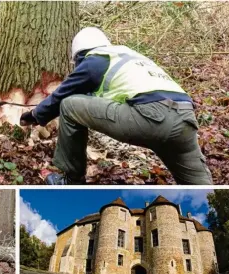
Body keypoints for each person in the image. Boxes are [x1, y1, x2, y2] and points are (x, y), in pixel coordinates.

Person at [20, 27, 213, 185]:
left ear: (79, 55)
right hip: (185, 118)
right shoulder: (128, 56)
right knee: (198, 184)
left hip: (151, 117)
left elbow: (63, 94)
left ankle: (71, 180)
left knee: (70, 106)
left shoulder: (95, 60)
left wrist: (36, 115)